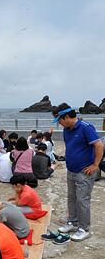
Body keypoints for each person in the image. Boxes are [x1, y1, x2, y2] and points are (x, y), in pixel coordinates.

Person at [52, 103, 103, 241]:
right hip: (71, 170)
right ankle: (73, 222)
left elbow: (99, 145)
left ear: (67, 117)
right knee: (72, 198)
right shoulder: (67, 130)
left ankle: (84, 229)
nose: (59, 124)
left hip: (84, 172)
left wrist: (95, 165)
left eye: (59, 121)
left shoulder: (86, 128)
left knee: (82, 200)